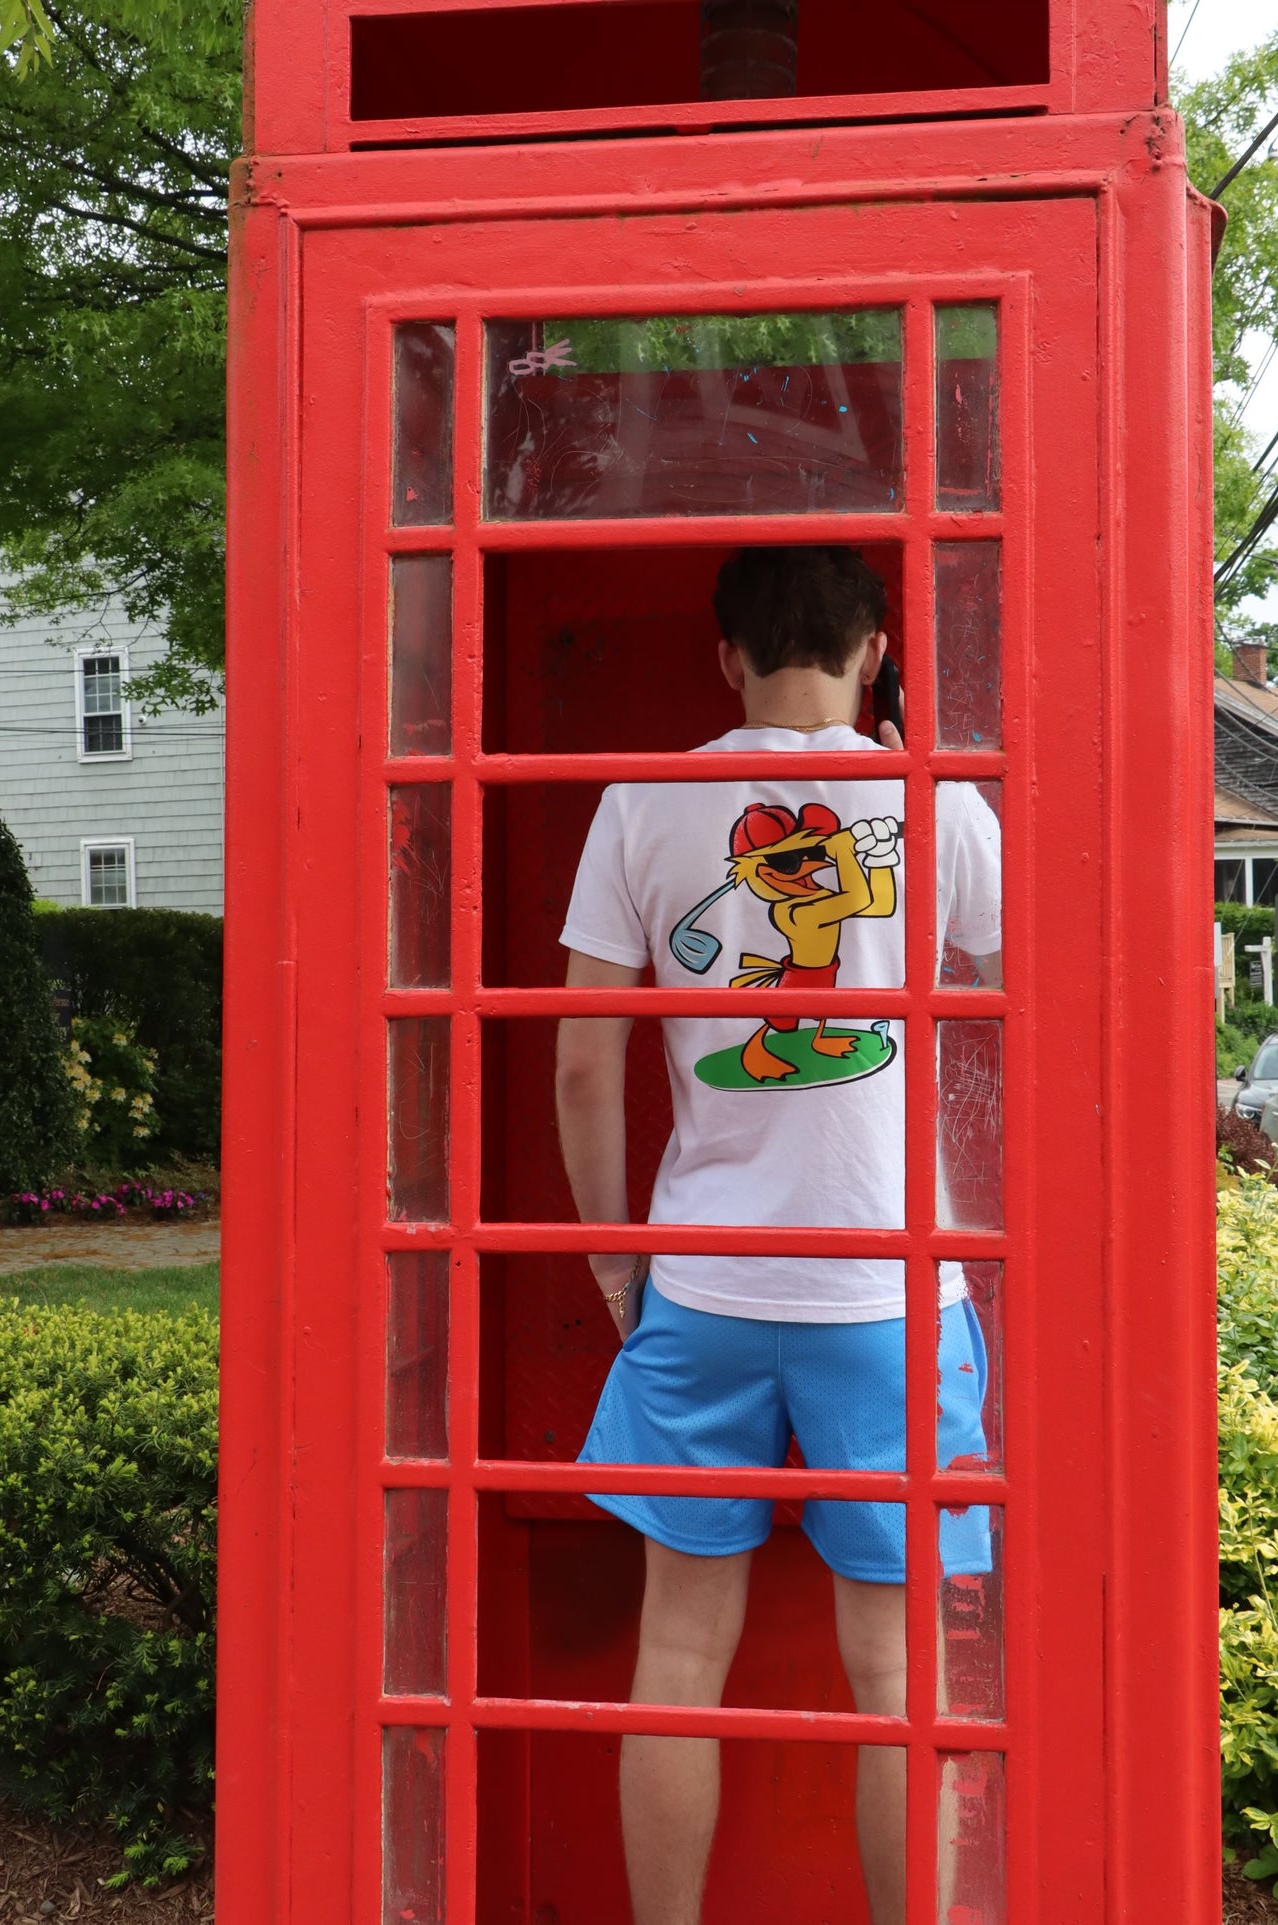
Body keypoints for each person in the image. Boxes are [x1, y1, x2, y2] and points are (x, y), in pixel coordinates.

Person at [555, 545, 1002, 1925]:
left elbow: (579, 1061)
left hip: (706, 1280)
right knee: (896, 1683)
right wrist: (925, 770)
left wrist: (613, 1262)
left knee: (676, 1660)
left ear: (720, 655)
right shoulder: (934, 802)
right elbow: (1018, 987)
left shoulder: (648, 793)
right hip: (888, 1287)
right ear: (874, 650)